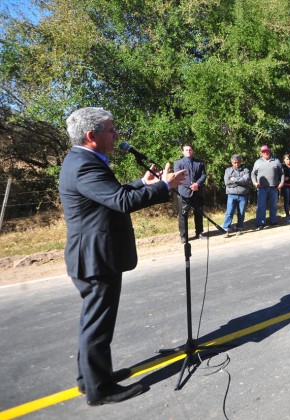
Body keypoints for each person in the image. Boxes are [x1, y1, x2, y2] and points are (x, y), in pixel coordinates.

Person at [59, 107, 187, 405]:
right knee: (97, 325)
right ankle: (99, 390)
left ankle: (90, 378)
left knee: (94, 322)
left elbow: (110, 194)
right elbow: (120, 202)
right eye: (111, 130)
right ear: (92, 136)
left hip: (93, 255)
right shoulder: (84, 165)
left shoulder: (84, 160)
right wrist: (164, 186)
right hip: (95, 258)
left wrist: (143, 183)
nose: (116, 135)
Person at [175, 143, 207, 243]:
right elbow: (178, 178)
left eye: (190, 150)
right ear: (182, 152)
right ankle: (184, 236)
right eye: (186, 150)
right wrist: (190, 185)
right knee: (183, 215)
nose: (188, 151)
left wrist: (197, 184)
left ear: (192, 151)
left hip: (197, 191)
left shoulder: (199, 163)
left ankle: (199, 232)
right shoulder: (178, 163)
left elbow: (203, 175)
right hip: (184, 192)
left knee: (199, 213)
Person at [251, 145, 284, 229]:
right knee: (261, 206)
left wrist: (282, 183)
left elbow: (282, 173)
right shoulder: (257, 162)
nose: (266, 153)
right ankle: (260, 223)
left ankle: (273, 221)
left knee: (273, 205)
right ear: (261, 153)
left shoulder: (276, 161)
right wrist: (255, 183)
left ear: (269, 151)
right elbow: (253, 174)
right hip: (262, 188)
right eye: (264, 152)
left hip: (274, 187)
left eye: (267, 151)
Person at [222, 154, 250, 237]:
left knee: (241, 212)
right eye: (235, 163)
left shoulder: (246, 170)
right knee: (229, 212)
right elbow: (227, 182)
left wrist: (234, 179)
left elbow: (246, 180)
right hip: (231, 195)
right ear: (232, 162)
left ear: (241, 162)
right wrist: (240, 182)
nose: (237, 164)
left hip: (242, 195)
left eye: (238, 162)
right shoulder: (228, 171)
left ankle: (239, 228)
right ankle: (226, 229)